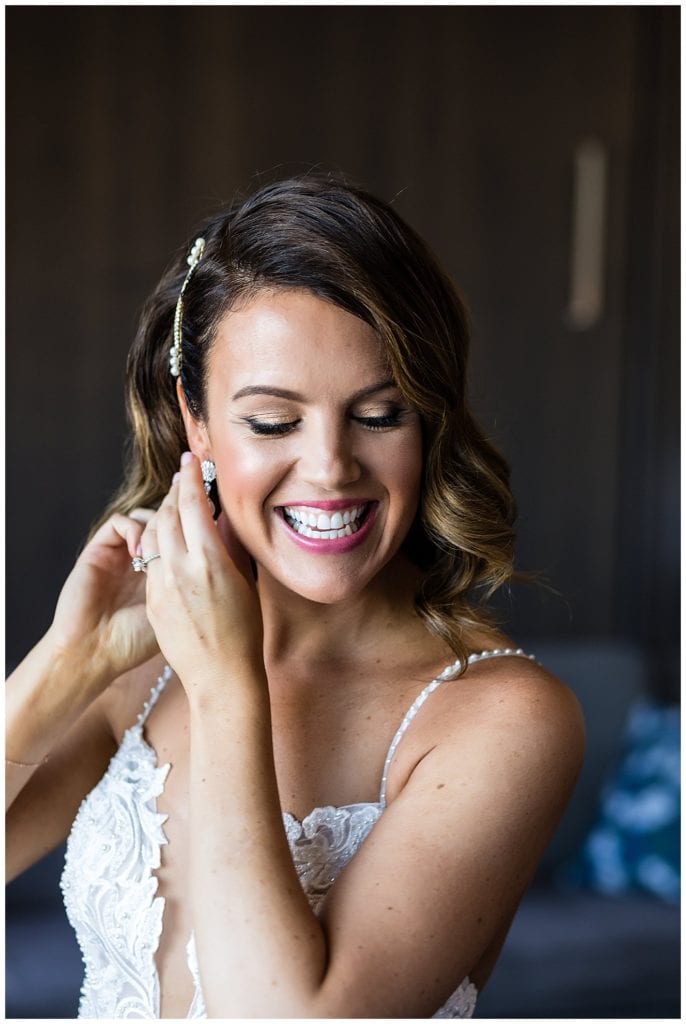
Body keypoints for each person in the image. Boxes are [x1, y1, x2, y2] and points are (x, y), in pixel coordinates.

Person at [6, 173, 585, 1019]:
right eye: (274, 422)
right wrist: (71, 659)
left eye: (381, 415)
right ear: (195, 420)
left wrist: (225, 686)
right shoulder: (140, 668)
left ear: (429, 424)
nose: (329, 468)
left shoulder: (504, 719)